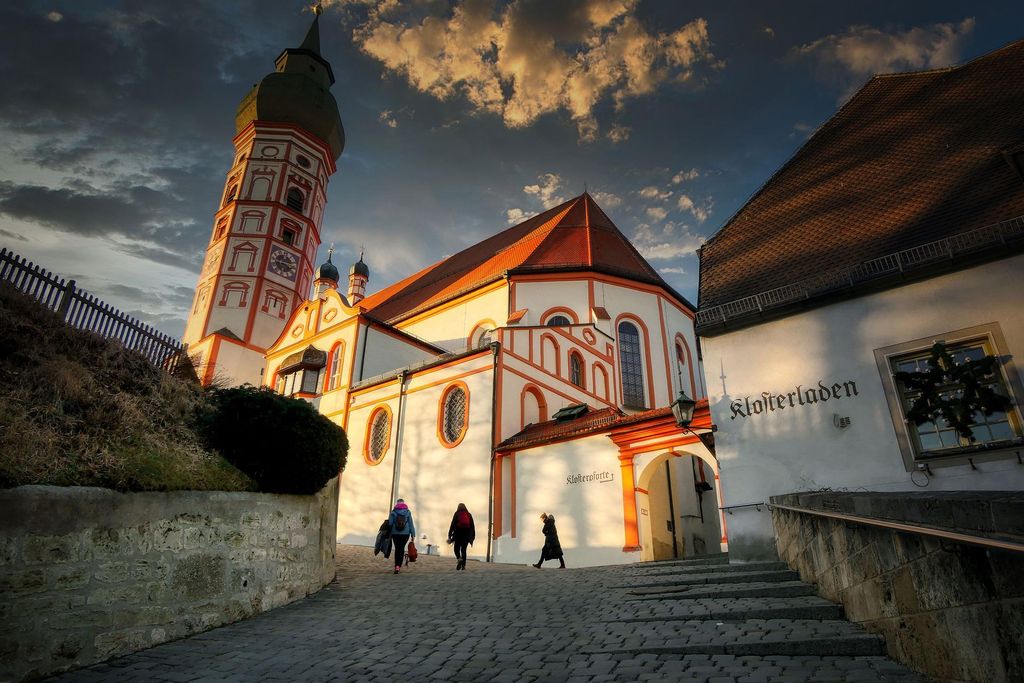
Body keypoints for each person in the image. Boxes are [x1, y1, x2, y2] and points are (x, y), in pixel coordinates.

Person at [388, 498, 416, 574]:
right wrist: (413, 534)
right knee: (401, 548)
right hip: (405, 534)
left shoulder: (393, 512)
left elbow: (390, 523)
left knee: (397, 549)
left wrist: (388, 533)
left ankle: (396, 566)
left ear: (397, 504)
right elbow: (411, 523)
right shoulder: (408, 512)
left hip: (395, 534)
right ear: (404, 504)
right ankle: (399, 566)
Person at [447, 503, 476, 570]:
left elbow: (453, 524)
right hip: (466, 534)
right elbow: (472, 526)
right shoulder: (469, 514)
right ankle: (463, 566)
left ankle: (459, 558)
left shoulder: (457, 513)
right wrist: (472, 537)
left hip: (458, 534)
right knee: (463, 550)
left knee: (456, 548)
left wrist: (450, 534)